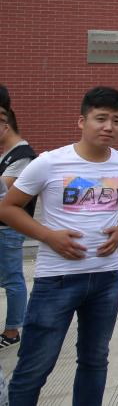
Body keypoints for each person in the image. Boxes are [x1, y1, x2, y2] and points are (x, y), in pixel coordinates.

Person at [0, 87, 118, 406]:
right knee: (35, 366)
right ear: (81, 121)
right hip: (57, 279)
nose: (108, 126)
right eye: (100, 118)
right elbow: (7, 208)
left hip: (106, 278)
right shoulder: (50, 163)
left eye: (117, 120)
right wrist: (48, 236)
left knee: (94, 361)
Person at [0, 106, 34, 352]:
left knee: (12, 278)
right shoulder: (8, 155)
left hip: (9, 228)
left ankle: (12, 330)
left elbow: (7, 191)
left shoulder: (22, 155)